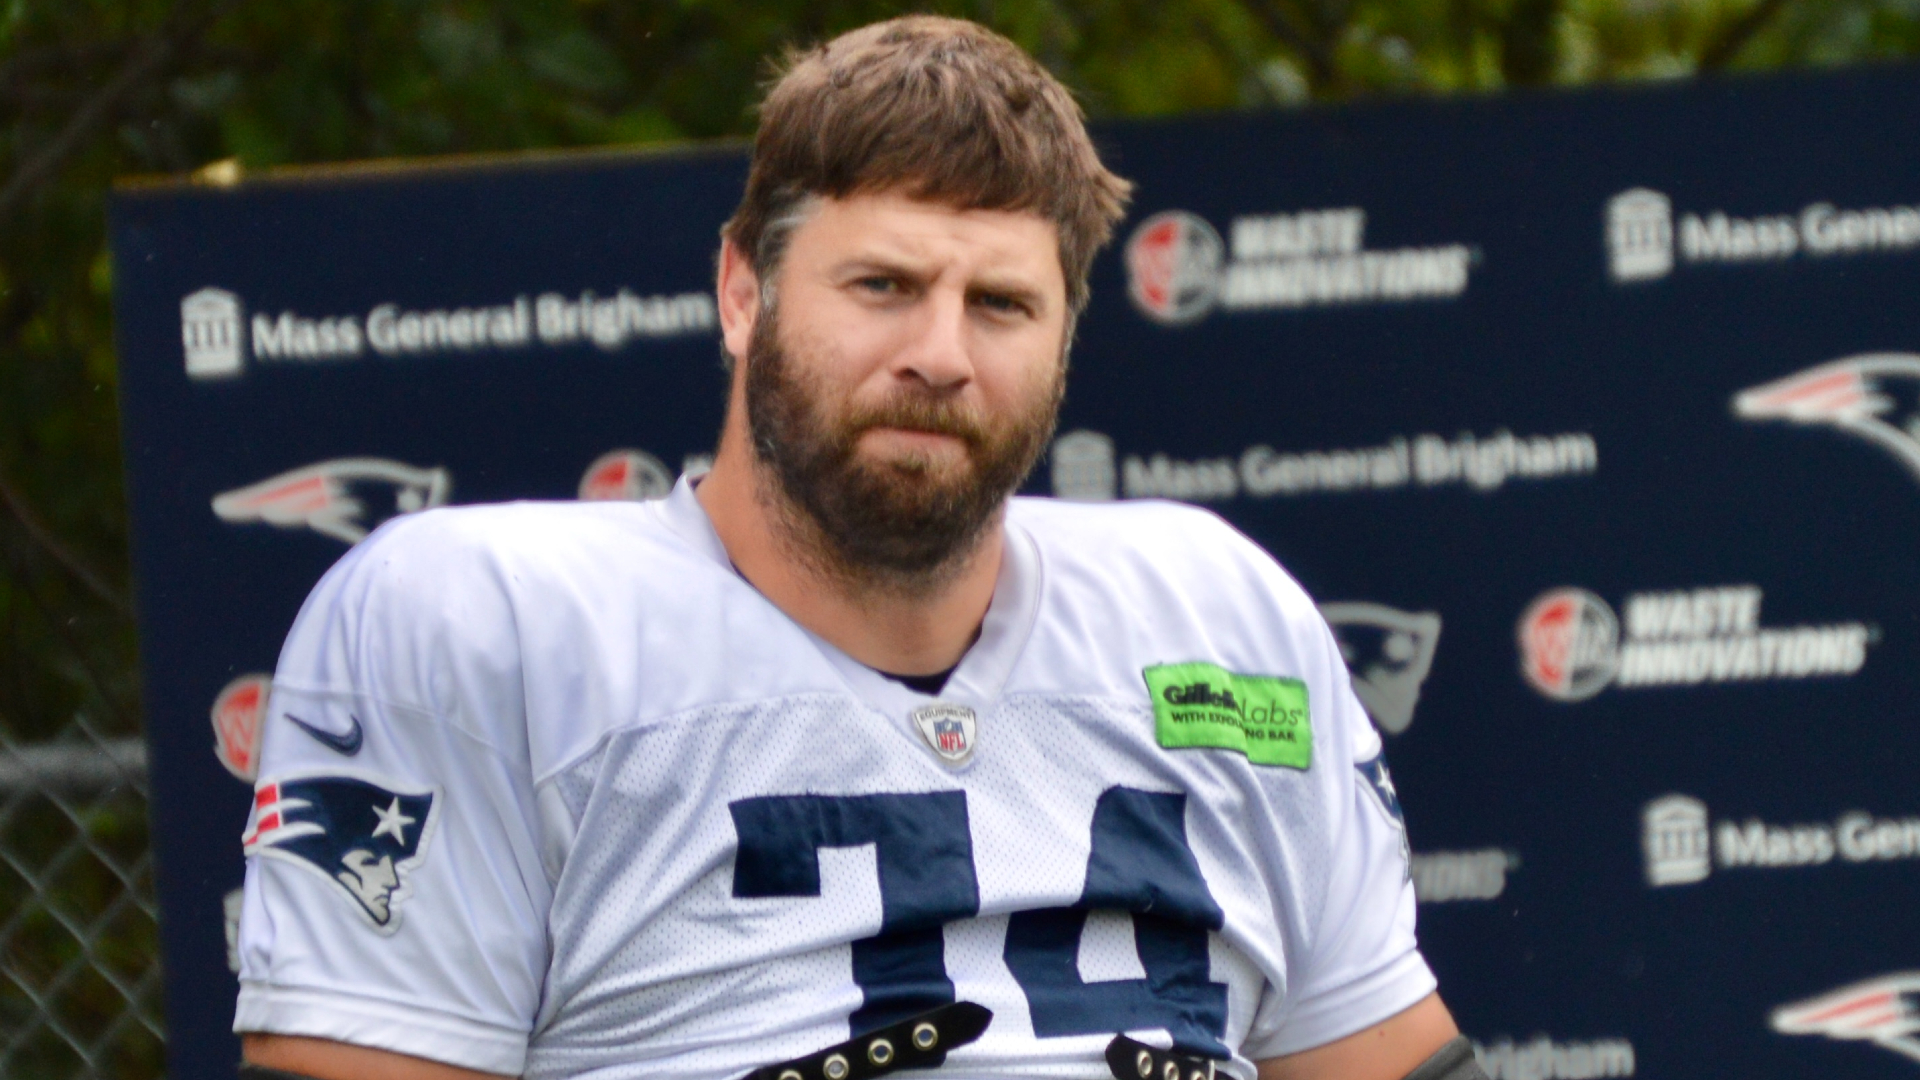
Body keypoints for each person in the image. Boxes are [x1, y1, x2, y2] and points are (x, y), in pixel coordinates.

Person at [235, 16, 1483, 1080]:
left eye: (1000, 304)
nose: (941, 353)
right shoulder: (480, 624)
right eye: (882, 285)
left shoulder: (1222, 614)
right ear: (743, 293)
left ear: (1064, 342)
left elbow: (1382, 1050)